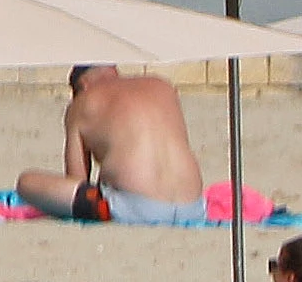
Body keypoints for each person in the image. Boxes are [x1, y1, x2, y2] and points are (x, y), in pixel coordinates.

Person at [18, 64, 203, 222]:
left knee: (26, 182)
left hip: (137, 208)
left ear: (82, 85)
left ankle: (104, 207)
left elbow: (77, 181)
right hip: (193, 205)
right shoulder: (162, 86)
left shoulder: (83, 102)